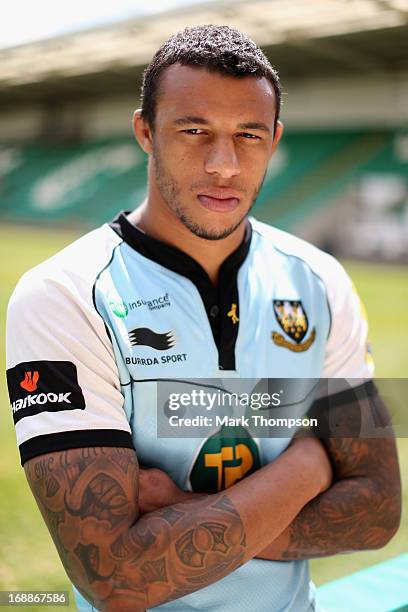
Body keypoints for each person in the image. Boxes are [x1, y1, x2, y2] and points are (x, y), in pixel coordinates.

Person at [6, 25, 401, 612]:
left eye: (249, 135)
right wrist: (309, 465)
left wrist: (183, 512)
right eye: (195, 131)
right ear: (145, 131)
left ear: (275, 140)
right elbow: (114, 577)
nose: (224, 165)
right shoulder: (62, 295)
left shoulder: (318, 281)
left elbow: (377, 512)